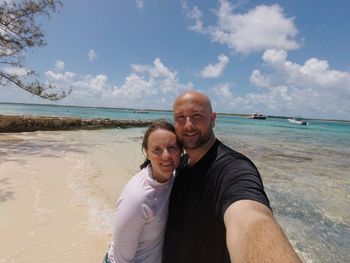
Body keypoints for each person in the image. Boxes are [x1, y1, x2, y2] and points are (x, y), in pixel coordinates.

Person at [162, 91, 301, 263]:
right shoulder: (180, 163)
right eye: (180, 117)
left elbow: (250, 219)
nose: (188, 125)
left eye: (197, 115)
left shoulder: (233, 168)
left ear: (213, 119)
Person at [104, 120, 182, 263]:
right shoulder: (138, 196)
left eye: (172, 147)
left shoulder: (174, 177)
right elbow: (121, 260)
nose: (166, 156)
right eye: (157, 149)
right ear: (147, 153)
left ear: (181, 151)